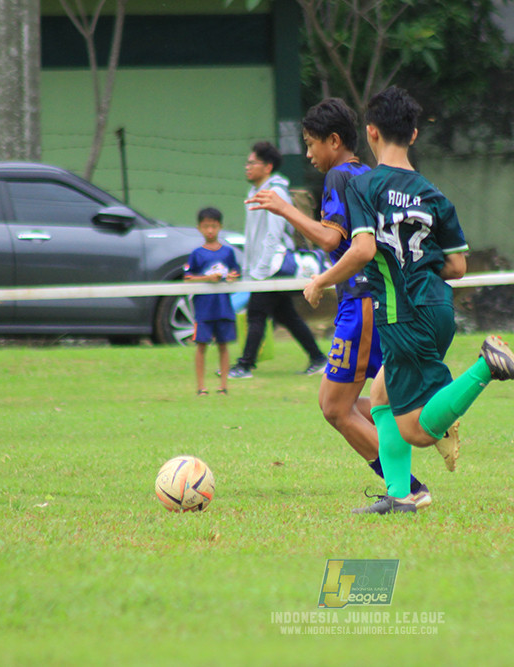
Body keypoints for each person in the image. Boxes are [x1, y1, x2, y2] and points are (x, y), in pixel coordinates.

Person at [303, 86, 514, 514]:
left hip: (401, 312)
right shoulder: (433, 194)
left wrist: (321, 281)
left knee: (417, 430)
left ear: (371, 132)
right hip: (437, 306)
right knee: (380, 396)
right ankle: (401, 495)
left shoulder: (366, 187)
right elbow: (457, 268)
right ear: (414, 135)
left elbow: (360, 251)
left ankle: (487, 366)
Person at [245, 98, 441, 509]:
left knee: (335, 407)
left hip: (360, 304)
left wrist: (285, 210)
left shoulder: (339, 176)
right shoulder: (367, 175)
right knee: (374, 402)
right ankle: (431, 422)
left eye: (311, 143)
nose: (310, 153)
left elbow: (334, 239)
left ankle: (406, 489)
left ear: (334, 141)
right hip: (378, 302)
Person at [228, 141, 327, 379]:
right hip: (262, 269)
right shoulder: (254, 192)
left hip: (273, 266)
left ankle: (244, 365)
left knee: (257, 314)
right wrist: (248, 269)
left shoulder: (277, 192)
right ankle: (318, 358)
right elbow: (253, 238)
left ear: (268, 166)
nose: (247, 167)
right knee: (286, 316)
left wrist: (260, 270)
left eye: (252, 163)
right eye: (247, 163)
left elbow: (274, 234)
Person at [184, 207, 241, 395]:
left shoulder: (227, 252)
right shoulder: (197, 254)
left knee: (223, 345)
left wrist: (232, 277)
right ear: (199, 228)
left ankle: (223, 386)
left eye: (214, 226)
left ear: (220, 227)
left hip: (223, 307)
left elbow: (236, 272)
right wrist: (207, 279)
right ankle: (201, 387)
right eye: (206, 226)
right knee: (201, 345)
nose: (210, 230)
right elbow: (188, 277)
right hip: (204, 308)